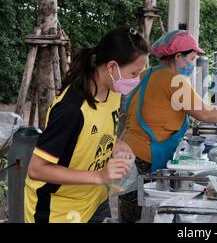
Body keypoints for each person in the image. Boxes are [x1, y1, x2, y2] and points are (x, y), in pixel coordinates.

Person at [119, 30, 217, 222]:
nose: (193, 64)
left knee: (130, 216)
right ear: (178, 57)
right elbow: (206, 113)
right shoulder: (173, 80)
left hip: (127, 155)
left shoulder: (146, 74)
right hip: (144, 159)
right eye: (192, 58)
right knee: (142, 216)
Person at [24, 26, 148, 223]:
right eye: (134, 73)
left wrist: (116, 144)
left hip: (95, 200)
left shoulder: (113, 92)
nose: (137, 79)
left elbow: (94, 132)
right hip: (59, 212)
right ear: (112, 67)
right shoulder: (71, 110)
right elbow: (37, 169)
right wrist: (99, 176)